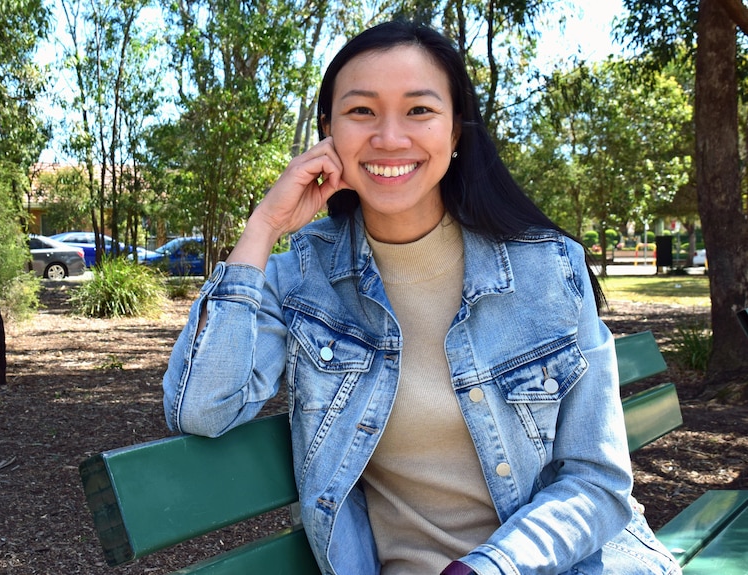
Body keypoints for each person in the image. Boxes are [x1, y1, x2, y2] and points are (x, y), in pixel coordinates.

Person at [163, 20, 681, 575]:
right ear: (328, 130)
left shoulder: (547, 268)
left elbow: (597, 481)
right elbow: (201, 408)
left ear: (456, 132)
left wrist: (488, 567)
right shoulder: (301, 281)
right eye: (361, 111)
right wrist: (264, 227)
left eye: (419, 110)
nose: (389, 138)